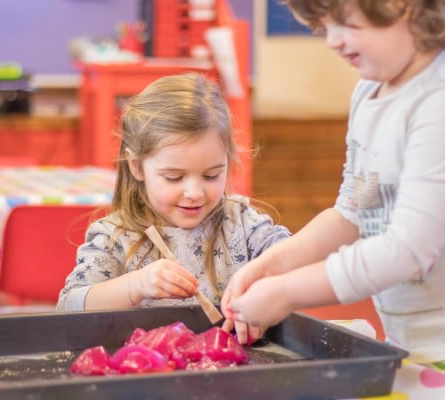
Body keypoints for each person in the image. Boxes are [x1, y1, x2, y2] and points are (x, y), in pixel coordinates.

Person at [221, 0, 445, 369]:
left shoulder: (440, 101)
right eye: (322, 27)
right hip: (414, 346)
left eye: (345, 24)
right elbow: (353, 212)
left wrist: (287, 292)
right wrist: (271, 266)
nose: (332, 41)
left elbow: (409, 250)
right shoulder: (369, 90)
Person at [57, 72, 290, 344]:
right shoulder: (115, 236)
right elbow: (68, 307)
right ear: (136, 166)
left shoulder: (242, 223)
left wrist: (265, 296)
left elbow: (294, 259)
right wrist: (137, 285)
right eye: (174, 177)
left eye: (212, 175)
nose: (194, 193)